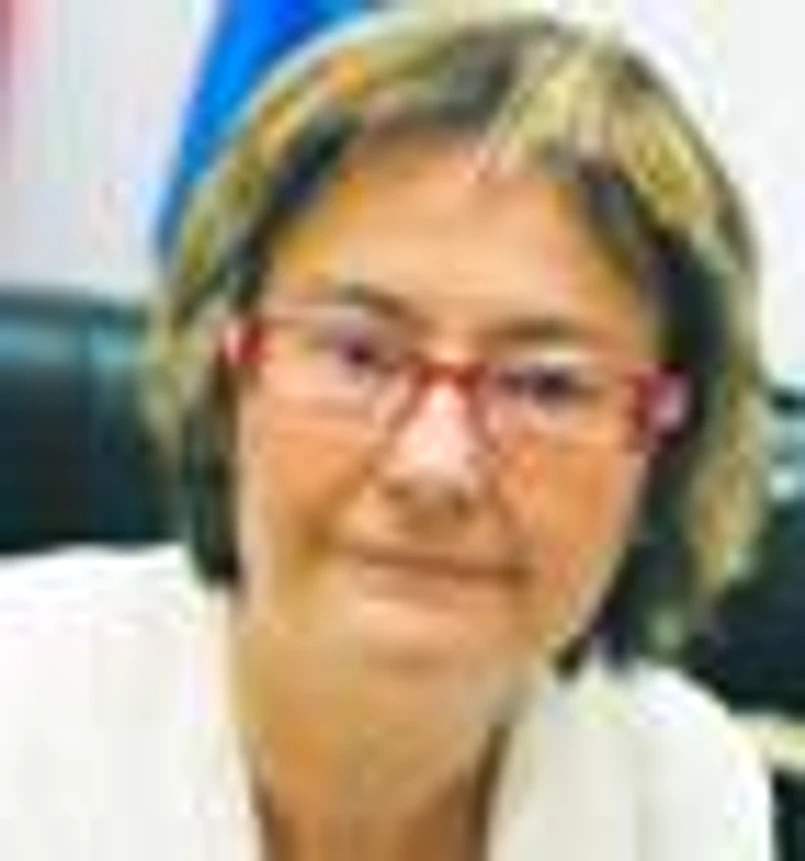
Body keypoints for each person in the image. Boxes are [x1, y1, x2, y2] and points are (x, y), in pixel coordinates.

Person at [0, 5, 772, 860]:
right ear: (227, 380)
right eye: (358, 355)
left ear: (665, 448)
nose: (434, 466)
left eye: (546, 386)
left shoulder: (682, 788)